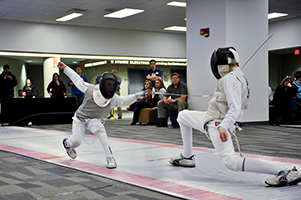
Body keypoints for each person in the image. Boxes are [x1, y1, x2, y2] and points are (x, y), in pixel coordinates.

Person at [169, 47, 301, 187]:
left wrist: (223, 126)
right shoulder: (234, 76)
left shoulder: (231, 78)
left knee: (230, 162)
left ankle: (284, 171)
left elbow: (235, 107)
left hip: (218, 122)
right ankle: (187, 157)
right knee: (183, 116)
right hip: (211, 118)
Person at [57, 61, 148, 169]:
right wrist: (65, 68)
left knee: (101, 130)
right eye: (108, 84)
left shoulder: (112, 98)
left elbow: (123, 101)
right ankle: (67, 143)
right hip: (80, 118)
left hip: (94, 119)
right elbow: (76, 79)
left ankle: (110, 158)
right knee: (76, 142)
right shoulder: (90, 89)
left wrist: (138, 95)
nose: (110, 87)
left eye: (112, 85)